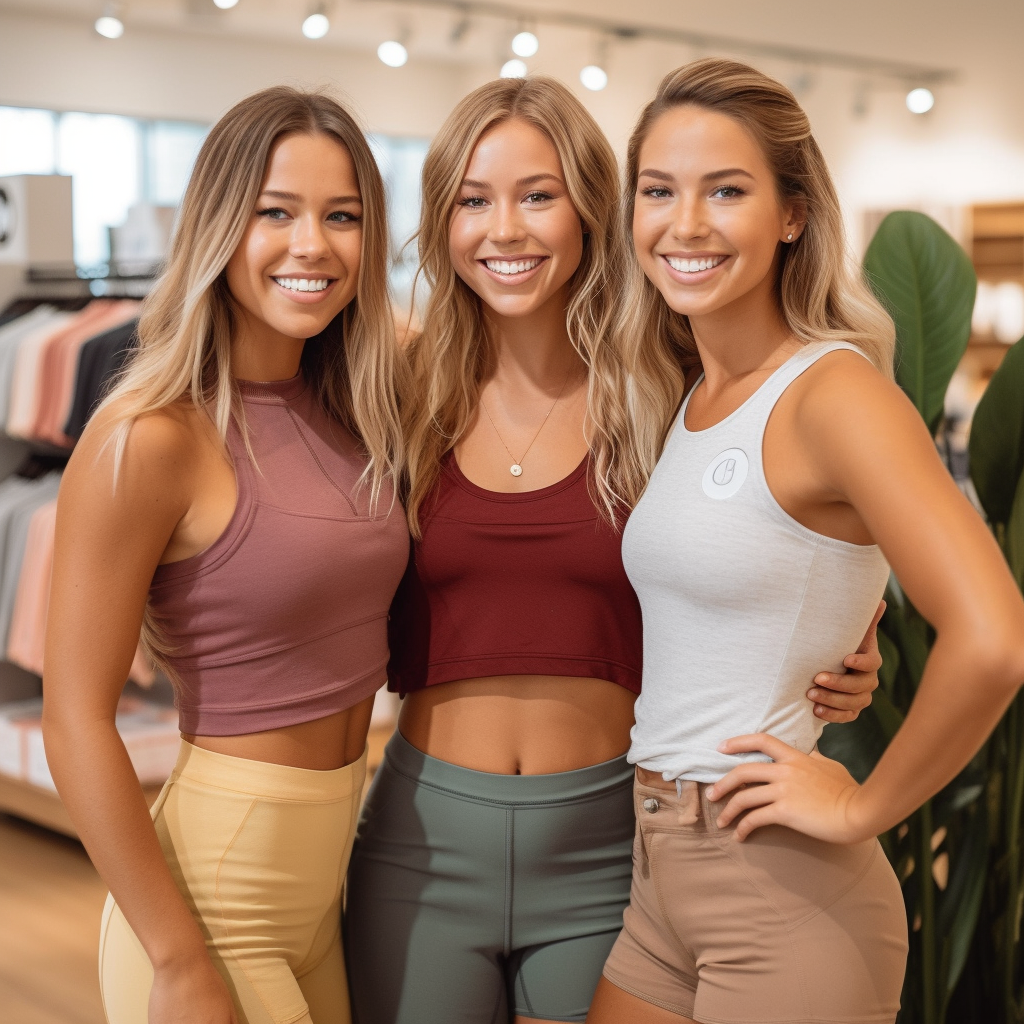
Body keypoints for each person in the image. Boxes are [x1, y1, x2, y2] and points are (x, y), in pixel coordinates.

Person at [344, 75, 884, 1024]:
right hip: (420, 841)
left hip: (610, 839)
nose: (503, 229)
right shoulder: (395, 390)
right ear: (443, 222)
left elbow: (803, 527)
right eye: (473, 200)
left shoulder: (673, 385)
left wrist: (849, 632)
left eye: (537, 195)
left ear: (593, 208)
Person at [588, 58, 1024, 1024]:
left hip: (780, 889)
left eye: (726, 190)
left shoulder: (835, 393)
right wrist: (841, 628)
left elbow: (995, 638)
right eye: (659, 190)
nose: (685, 223)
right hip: (660, 868)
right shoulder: (696, 393)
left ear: (792, 213)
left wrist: (863, 807)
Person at [42, 87, 409, 1024]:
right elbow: (75, 719)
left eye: (343, 217)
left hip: (330, 880)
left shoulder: (354, 409)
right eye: (274, 213)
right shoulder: (148, 436)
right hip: (215, 900)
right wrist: (175, 960)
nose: (311, 246)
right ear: (218, 224)